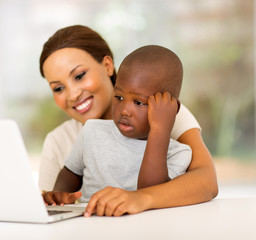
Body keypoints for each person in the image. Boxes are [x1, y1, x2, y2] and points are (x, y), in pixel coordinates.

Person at [38, 25, 218, 215]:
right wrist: (55, 197)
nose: (73, 94)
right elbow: (53, 205)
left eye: (80, 76)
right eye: (58, 88)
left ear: (108, 66)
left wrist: (141, 198)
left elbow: (206, 181)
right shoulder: (67, 137)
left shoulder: (162, 115)